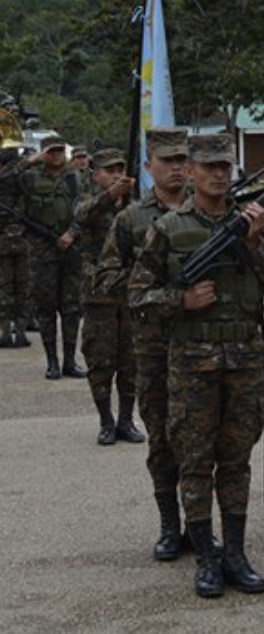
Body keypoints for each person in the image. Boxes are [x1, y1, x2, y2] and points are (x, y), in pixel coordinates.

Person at [129, 133, 264, 599]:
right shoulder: (168, 228)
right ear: (194, 173)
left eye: (225, 166)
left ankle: (235, 555)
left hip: (243, 361)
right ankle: (205, 558)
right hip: (192, 365)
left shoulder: (252, 223)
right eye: (209, 167)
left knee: (236, 461)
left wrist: (258, 241)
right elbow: (137, 297)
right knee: (196, 462)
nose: (218, 174)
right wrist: (181, 300)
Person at [96, 129, 192, 558]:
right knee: (162, 440)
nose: (176, 167)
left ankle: (202, 526)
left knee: (203, 441)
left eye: (182, 159)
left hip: (204, 344)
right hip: (153, 347)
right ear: (149, 165)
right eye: (166, 160)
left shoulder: (208, 212)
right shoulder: (131, 219)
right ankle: (171, 528)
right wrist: (154, 282)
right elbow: (105, 278)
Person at [75, 148, 143, 445]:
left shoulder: (133, 205)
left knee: (131, 360)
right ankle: (106, 420)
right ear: (96, 174)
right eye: (109, 170)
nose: (116, 174)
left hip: (129, 292)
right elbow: (82, 215)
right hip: (99, 294)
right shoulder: (87, 199)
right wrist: (109, 197)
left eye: (120, 169)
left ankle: (127, 420)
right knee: (100, 359)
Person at [11, 135, 85, 379]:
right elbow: (6, 178)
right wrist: (30, 160)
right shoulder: (30, 178)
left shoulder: (76, 176)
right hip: (41, 250)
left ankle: (70, 361)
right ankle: (52, 361)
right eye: (51, 151)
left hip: (70, 249)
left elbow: (86, 210)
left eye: (59, 151)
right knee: (46, 308)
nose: (56, 156)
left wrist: (72, 233)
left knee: (72, 308)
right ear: (43, 153)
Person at [0, 148, 31, 348]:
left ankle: (11, 332)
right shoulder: (21, 176)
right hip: (17, 240)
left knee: (10, 288)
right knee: (18, 288)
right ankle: (15, 331)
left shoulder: (18, 179)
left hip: (14, 240)